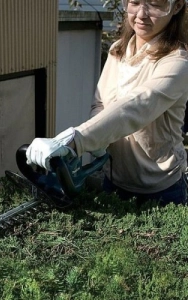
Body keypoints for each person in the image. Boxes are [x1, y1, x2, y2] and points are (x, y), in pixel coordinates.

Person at [26, 0, 188, 206]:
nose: (141, 14)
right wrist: (99, 141)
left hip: (161, 189)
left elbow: (137, 106)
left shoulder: (178, 62)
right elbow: (101, 103)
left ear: (177, 7)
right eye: (134, 2)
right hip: (114, 181)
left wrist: (74, 140)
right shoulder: (118, 50)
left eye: (155, 5)